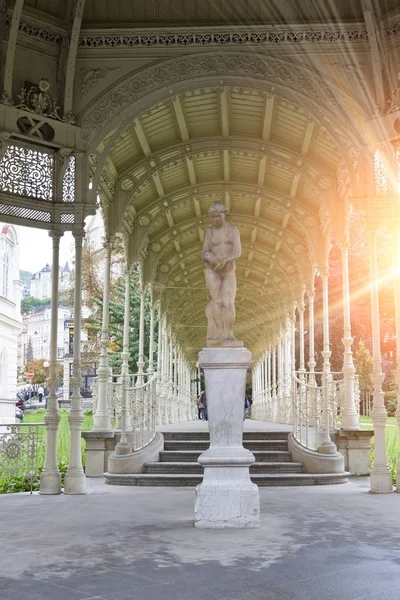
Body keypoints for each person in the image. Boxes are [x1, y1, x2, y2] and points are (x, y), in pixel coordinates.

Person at [202, 201, 241, 345]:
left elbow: (238, 251)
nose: (215, 219)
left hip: (229, 270)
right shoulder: (210, 231)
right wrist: (212, 258)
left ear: (224, 214)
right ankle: (220, 333)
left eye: (218, 216)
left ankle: (230, 334)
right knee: (217, 302)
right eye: (213, 217)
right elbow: (204, 251)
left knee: (228, 303)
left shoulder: (232, 230)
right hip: (212, 270)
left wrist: (226, 259)